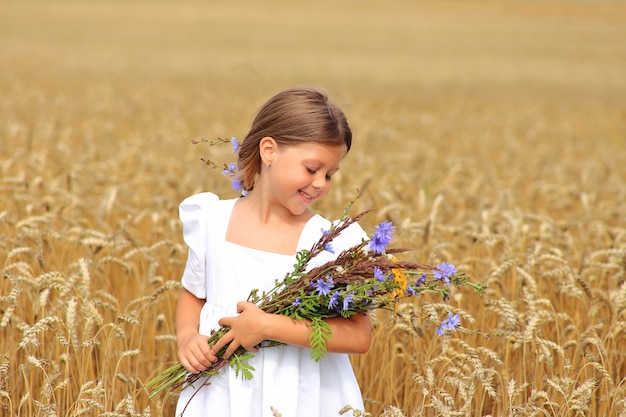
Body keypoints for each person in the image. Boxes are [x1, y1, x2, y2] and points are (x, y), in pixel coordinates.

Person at [175, 87, 372, 417]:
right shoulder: (211, 220)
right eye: (311, 169)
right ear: (269, 150)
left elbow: (358, 335)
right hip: (220, 394)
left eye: (330, 175)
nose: (321, 183)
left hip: (302, 399)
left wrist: (267, 326)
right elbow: (194, 295)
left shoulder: (330, 244)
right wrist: (186, 337)